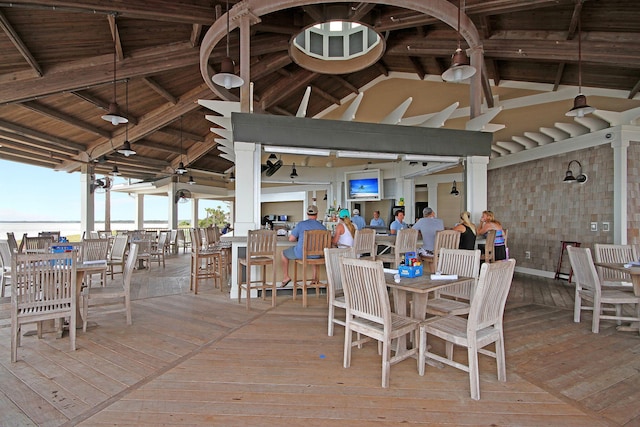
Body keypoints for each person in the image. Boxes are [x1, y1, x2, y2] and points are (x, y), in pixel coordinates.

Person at [280, 205, 327, 287]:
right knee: (313, 252)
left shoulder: (301, 224)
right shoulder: (323, 227)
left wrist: (298, 237)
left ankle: (286, 277)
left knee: (283, 253)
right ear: (317, 214)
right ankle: (314, 279)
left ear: (307, 213)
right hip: (317, 255)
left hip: (302, 254)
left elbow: (291, 239)